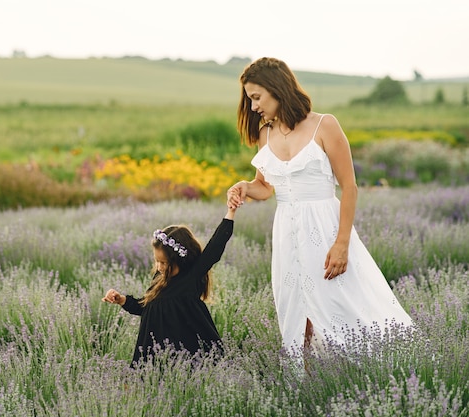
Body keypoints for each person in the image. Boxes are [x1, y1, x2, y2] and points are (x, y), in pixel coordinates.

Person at [226, 57, 413, 358]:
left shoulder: (325, 125)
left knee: (341, 303)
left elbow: (349, 186)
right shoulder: (265, 134)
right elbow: (265, 186)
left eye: (256, 97)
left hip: (325, 229)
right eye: (249, 100)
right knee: (296, 307)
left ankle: (371, 369)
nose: (253, 107)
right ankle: (306, 383)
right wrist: (244, 187)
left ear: (277, 89)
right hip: (287, 232)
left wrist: (342, 243)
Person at [102, 204, 237, 366]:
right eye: (156, 261)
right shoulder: (159, 278)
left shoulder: (190, 278)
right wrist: (122, 299)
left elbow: (215, 246)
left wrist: (231, 212)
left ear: (179, 260)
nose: (159, 266)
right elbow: (146, 308)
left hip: (185, 356)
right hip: (152, 355)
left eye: (164, 262)